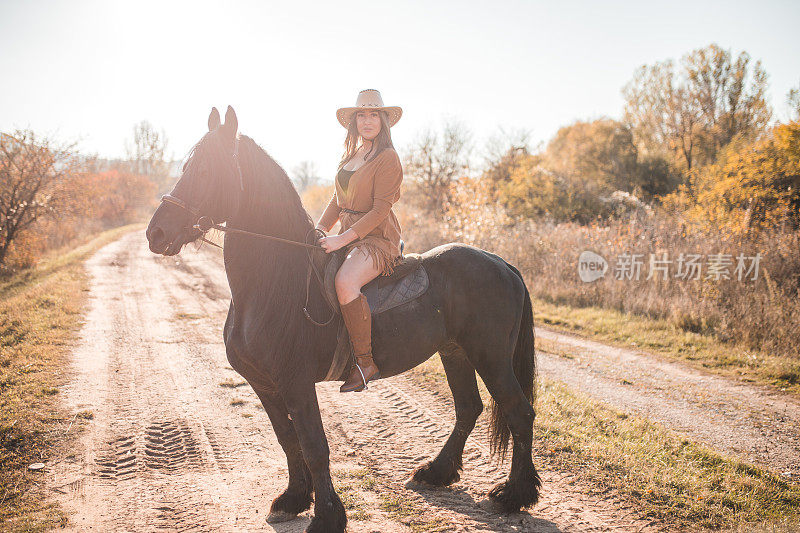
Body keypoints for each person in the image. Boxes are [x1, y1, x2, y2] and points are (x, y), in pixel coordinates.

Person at [315, 89, 404, 393]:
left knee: (345, 282)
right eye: (362, 115)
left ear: (383, 120)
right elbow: (337, 201)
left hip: (377, 239)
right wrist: (320, 229)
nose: (368, 120)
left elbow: (381, 210)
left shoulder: (388, 158)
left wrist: (341, 240)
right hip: (348, 236)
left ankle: (365, 362)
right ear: (354, 121)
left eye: (374, 114)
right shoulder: (350, 156)